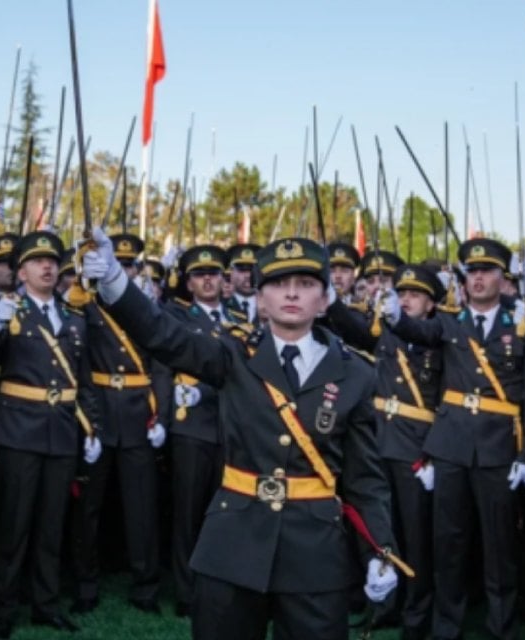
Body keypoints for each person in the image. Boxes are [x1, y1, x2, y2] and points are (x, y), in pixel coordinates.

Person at [84, 230, 402, 640]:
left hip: (315, 551)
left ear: (324, 301)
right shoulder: (232, 355)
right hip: (233, 543)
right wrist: (113, 280)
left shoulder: (356, 373)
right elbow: (163, 334)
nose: (291, 294)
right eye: (278, 284)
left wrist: (382, 549)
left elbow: (365, 478)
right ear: (260, 299)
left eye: (305, 284)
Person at [382, 237, 525, 640]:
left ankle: (500, 629)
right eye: (471, 272)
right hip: (451, 447)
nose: (477, 278)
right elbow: (417, 331)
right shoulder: (449, 322)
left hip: (497, 449)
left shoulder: (522, 322)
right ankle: (446, 629)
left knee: (499, 550)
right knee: (448, 547)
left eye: (486, 270)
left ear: (500, 276)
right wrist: (393, 317)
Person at [0, 231, 103, 639]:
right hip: (18, 428)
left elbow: (83, 379)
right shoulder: (8, 311)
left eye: (53, 261)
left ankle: (45, 604)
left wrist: (92, 427)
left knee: (52, 526)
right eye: (37, 262)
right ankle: (4, 608)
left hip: (62, 431)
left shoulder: (72, 316)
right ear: (21, 271)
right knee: (13, 526)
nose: (48, 267)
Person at [327, 263, 445, 639]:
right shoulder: (387, 333)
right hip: (380, 442)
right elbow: (355, 332)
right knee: (380, 532)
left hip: (415, 448)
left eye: (415, 295)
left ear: (430, 305)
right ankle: (383, 606)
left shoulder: (441, 340)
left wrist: (434, 453)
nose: (406, 299)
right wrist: (331, 301)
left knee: (415, 538)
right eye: (403, 293)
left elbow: (448, 401)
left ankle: (417, 615)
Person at [71, 232, 168, 615]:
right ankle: (85, 584)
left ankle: (146, 587)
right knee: (88, 508)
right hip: (98, 412)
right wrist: (87, 420)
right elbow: (76, 363)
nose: (124, 270)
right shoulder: (86, 305)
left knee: (142, 509)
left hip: (138, 413)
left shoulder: (142, 307)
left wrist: (160, 415)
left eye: (129, 265)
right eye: (119, 264)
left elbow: (161, 362)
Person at [161, 244, 243, 617]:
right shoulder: (176, 316)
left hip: (228, 425)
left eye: (214, 273)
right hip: (191, 425)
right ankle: (186, 591)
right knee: (188, 514)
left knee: (225, 514)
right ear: (188, 282)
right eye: (199, 274)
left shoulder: (239, 316)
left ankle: (220, 587)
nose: (208, 280)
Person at [225, 243, 259, 322]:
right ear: (232, 273)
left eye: (252, 270)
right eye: (242, 270)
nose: (248, 275)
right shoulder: (220, 305)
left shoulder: (270, 306)